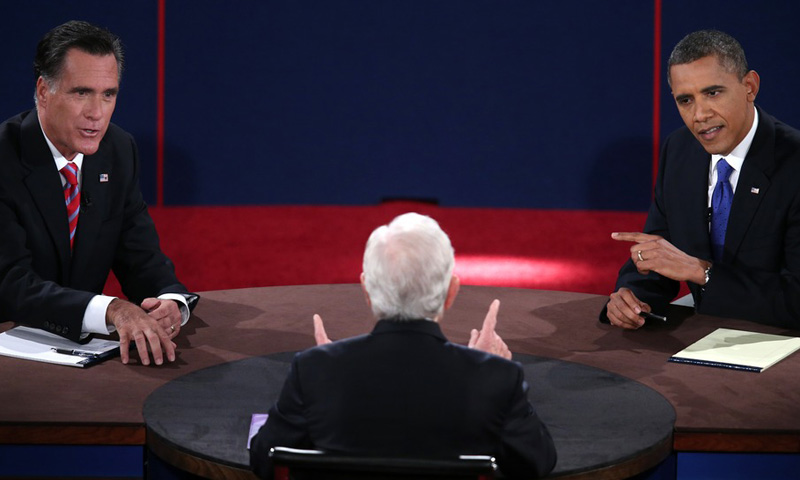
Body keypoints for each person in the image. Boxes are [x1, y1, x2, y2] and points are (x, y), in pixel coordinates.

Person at [250, 213, 557, 479]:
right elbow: (537, 462)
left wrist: (328, 375)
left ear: (366, 291)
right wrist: (490, 371)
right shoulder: (495, 378)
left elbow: (264, 459)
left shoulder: (315, 369)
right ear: (451, 292)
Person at [0, 20, 197, 365]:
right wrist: (113, 309)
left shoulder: (118, 150)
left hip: (80, 358)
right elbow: (11, 285)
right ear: (44, 92)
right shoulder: (4, 158)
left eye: (108, 94)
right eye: (81, 93)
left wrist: (170, 302)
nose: (96, 113)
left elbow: (140, 256)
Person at [603, 29, 800, 329]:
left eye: (712, 93)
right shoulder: (680, 150)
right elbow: (661, 250)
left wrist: (704, 273)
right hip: (708, 333)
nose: (700, 114)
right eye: (685, 100)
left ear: (749, 86)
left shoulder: (794, 163)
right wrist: (632, 296)